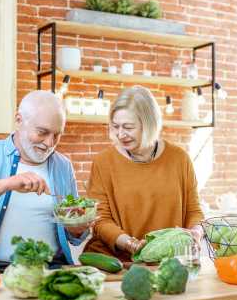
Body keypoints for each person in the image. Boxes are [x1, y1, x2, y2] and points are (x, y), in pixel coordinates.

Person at [0, 91, 89, 272]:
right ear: (19, 120)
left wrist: (77, 228)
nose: (50, 143)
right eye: (42, 132)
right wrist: (6, 184)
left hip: (52, 269)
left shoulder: (63, 166)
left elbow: (74, 236)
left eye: (57, 135)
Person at [85, 86, 204, 261]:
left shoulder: (180, 159)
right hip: (116, 261)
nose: (120, 134)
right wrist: (132, 245)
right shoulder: (103, 162)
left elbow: (194, 211)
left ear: (149, 124)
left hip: (168, 262)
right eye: (115, 126)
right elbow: (100, 220)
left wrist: (196, 232)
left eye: (128, 127)